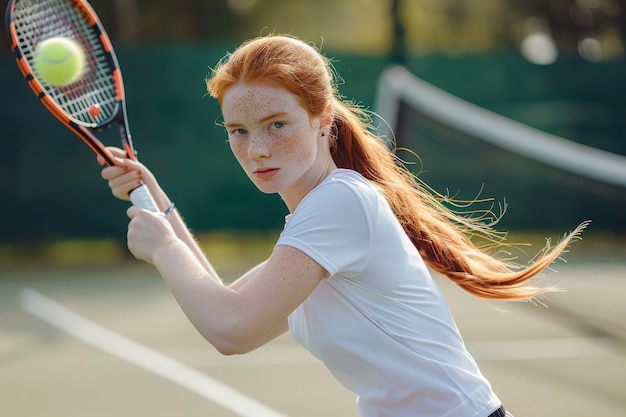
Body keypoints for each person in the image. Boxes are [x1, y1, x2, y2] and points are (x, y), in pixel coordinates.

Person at [101, 34, 587, 417]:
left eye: (277, 124)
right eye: (238, 132)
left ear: (321, 119)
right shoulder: (317, 218)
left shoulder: (339, 205)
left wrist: (164, 249)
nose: (257, 150)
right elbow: (231, 313)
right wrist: (156, 199)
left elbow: (230, 328)